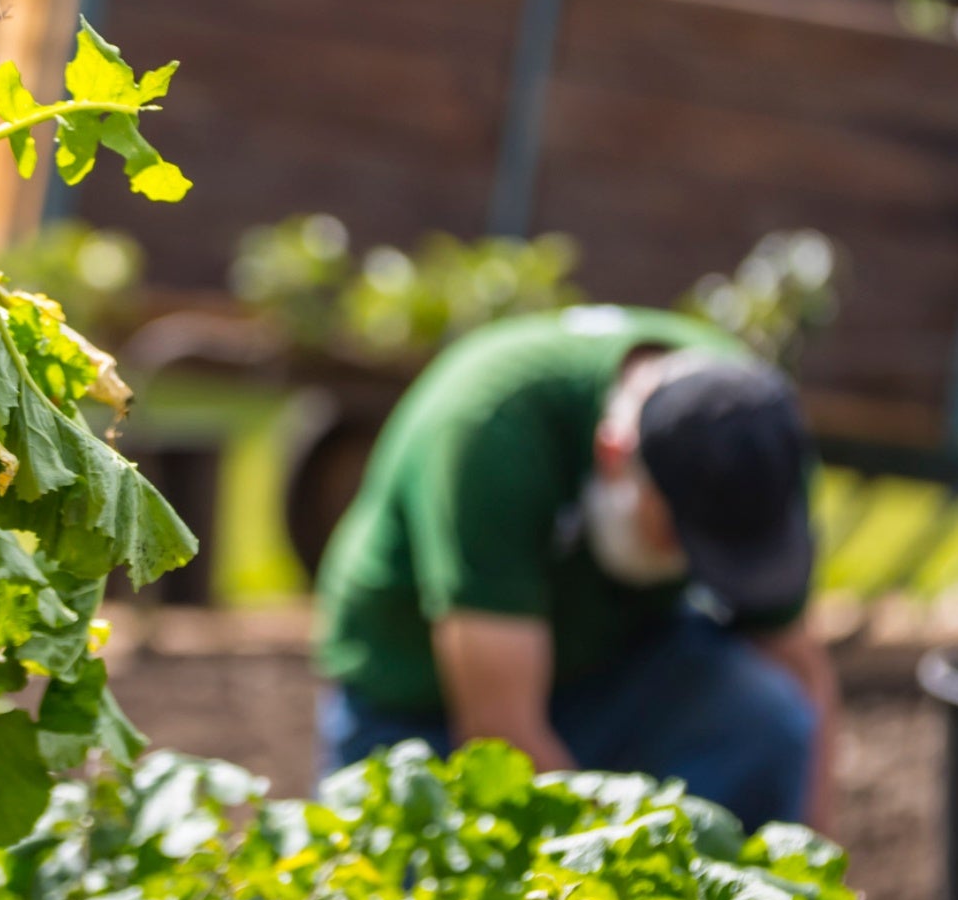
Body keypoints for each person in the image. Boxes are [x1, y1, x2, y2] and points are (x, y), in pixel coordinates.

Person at [314, 304, 840, 834]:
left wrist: (811, 867)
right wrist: (610, 891)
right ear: (614, 454)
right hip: (421, 704)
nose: (687, 563)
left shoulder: (756, 436)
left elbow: (797, 667)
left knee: (764, 720)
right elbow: (500, 733)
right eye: (674, 536)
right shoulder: (493, 429)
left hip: (619, 665)